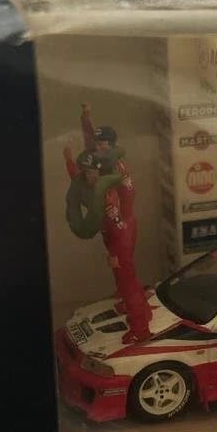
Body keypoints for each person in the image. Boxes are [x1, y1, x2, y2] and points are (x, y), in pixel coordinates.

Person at [64, 110, 151, 343]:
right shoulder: (99, 166)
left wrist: (115, 248)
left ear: (111, 146)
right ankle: (130, 300)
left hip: (120, 229)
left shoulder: (112, 176)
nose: (97, 148)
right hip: (114, 229)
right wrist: (85, 119)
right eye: (97, 144)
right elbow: (84, 161)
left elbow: (124, 202)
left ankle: (141, 328)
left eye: (103, 144)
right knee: (123, 275)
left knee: (126, 276)